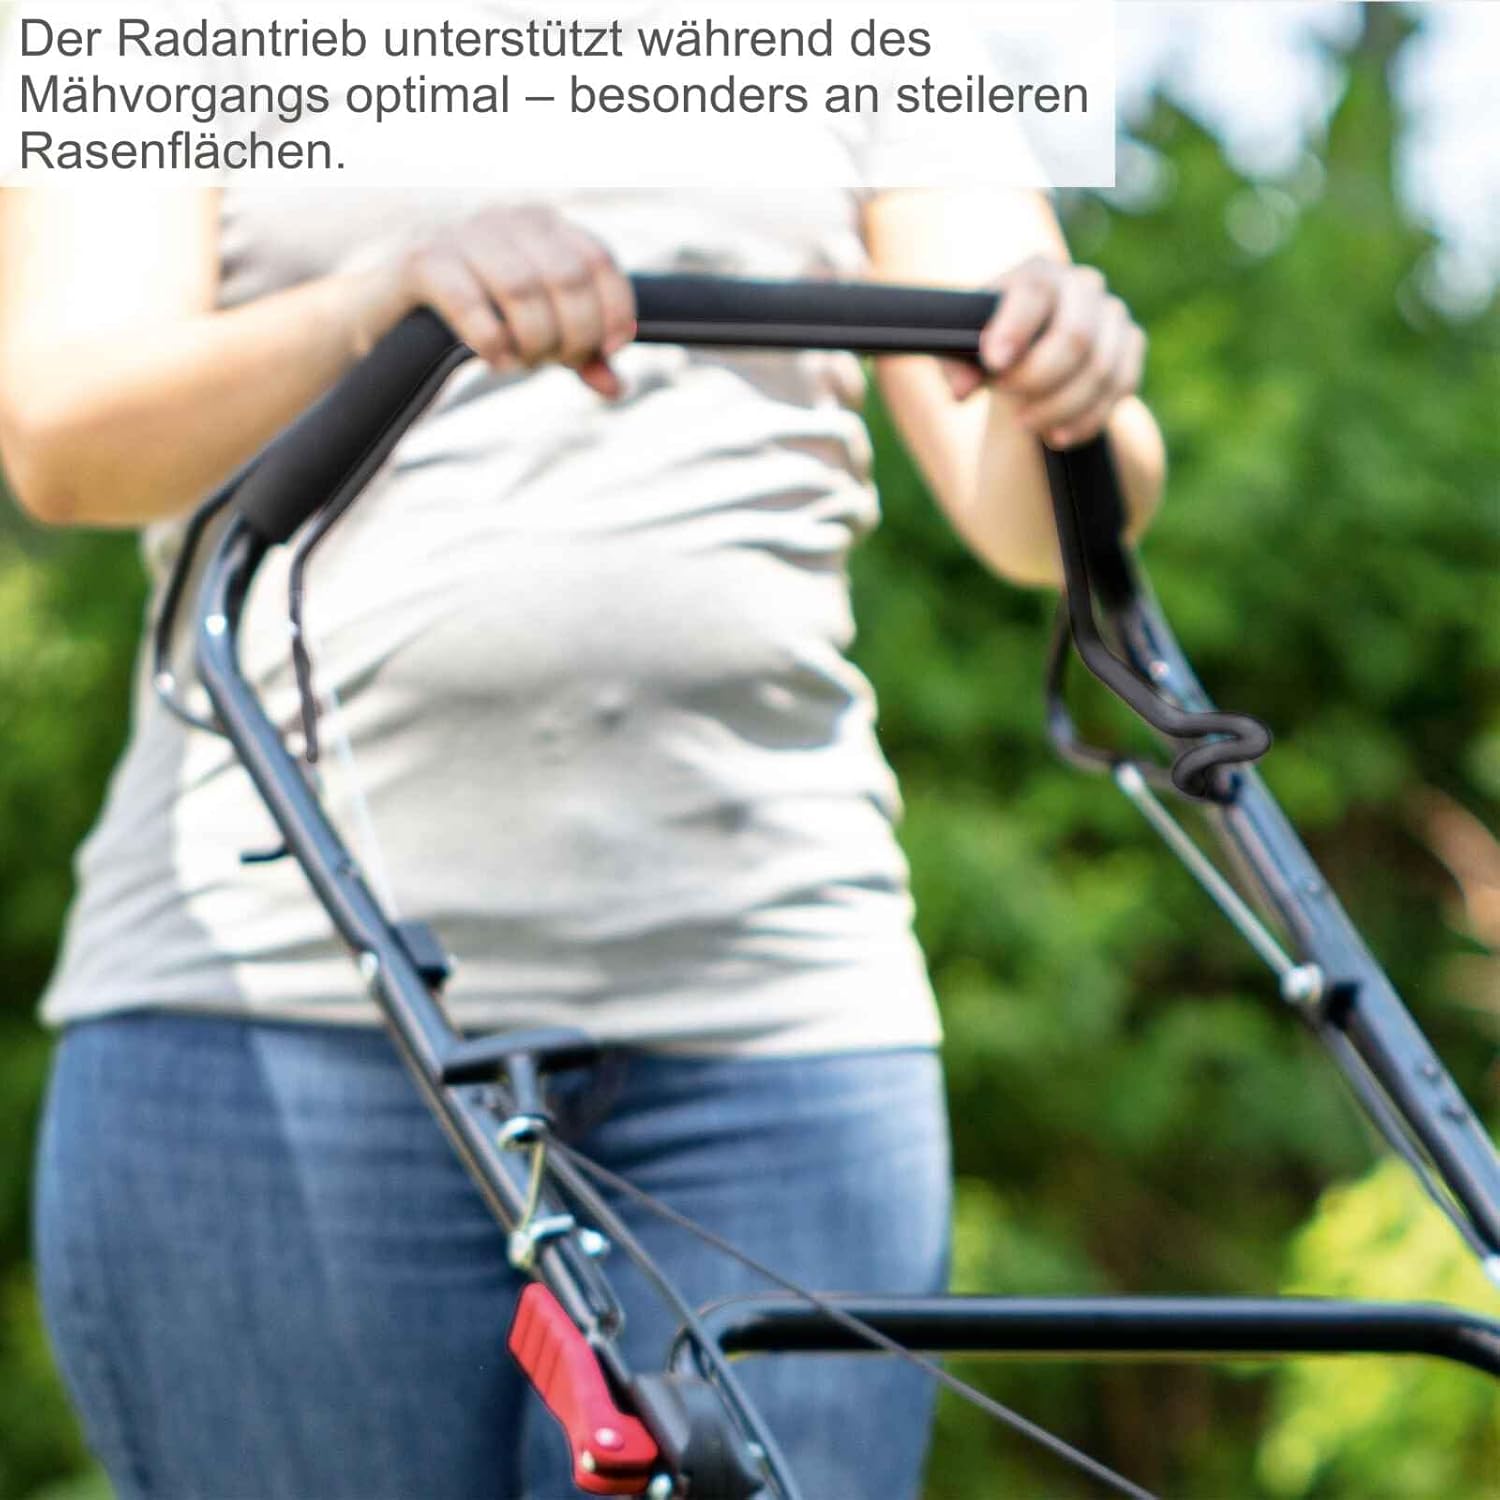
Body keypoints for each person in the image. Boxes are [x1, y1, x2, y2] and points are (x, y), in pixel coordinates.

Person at [0, 40, 1164, 1500]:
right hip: (267, 1032)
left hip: (773, 1031)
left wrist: (1076, 387)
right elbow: (60, 437)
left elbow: (1035, 515)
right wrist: (381, 304)